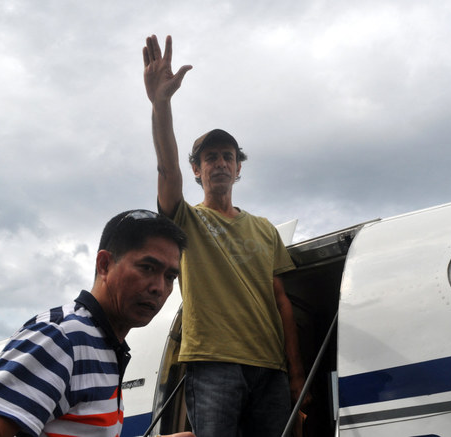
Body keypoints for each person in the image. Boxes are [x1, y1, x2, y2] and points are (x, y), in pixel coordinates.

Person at [143, 34, 306, 437]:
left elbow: (282, 301)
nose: (219, 163)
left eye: (227, 156)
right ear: (197, 170)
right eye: (209, 157)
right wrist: (160, 104)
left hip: (270, 368)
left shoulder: (265, 229)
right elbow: (166, 170)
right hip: (213, 363)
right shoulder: (185, 220)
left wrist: (296, 371)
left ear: (238, 169)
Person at [0, 209, 195, 437]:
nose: (159, 288)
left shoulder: (105, 347)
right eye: (147, 267)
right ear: (104, 265)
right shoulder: (61, 338)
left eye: (170, 276)